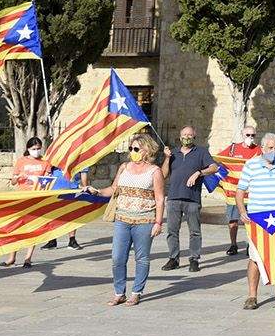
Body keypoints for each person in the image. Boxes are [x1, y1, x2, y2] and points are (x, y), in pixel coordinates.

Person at [91, 133, 165, 307]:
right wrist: (99, 192)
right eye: (131, 148)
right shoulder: (124, 167)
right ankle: (119, 292)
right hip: (122, 218)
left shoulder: (155, 171)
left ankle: (136, 293)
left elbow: (160, 198)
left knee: (142, 258)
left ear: (147, 150)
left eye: (137, 149)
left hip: (145, 220)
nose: (133, 152)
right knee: (117, 257)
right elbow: (114, 188)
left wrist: (158, 223)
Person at [235, 131, 275, 310]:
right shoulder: (251, 165)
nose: (274, 151)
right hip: (257, 219)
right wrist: (242, 211)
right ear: (262, 148)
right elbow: (240, 192)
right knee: (256, 257)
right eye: (271, 148)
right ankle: (252, 296)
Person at [161, 125, 218, 273]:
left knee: (194, 231)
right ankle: (173, 258)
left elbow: (214, 167)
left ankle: (194, 259)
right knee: (172, 230)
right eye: (184, 134)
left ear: (194, 136)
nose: (187, 137)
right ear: (180, 137)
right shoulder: (173, 153)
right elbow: (163, 174)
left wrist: (198, 172)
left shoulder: (201, 152)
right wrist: (167, 158)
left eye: (189, 135)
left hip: (192, 199)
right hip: (173, 197)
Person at [1, 137, 53, 268]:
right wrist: (18, 178)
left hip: (36, 199)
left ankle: (28, 258)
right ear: (28, 149)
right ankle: (11, 257)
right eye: (33, 149)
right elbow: (13, 181)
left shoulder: (45, 163)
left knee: (32, 228)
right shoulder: (21, 161)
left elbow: (48, 181)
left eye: (38, 149)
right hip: (21, 197)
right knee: (16, 227)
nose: (36, 151)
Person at [218, 124, 261, 256]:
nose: (250, 137)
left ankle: (250, 245)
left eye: (253, 135)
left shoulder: (259, 150)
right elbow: (219, 160)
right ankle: (233, 244)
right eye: (248, 135)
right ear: (243, 135)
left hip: (252, 193)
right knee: (232, 221)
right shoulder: (232, 149)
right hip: (234, 192)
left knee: (251, 221)